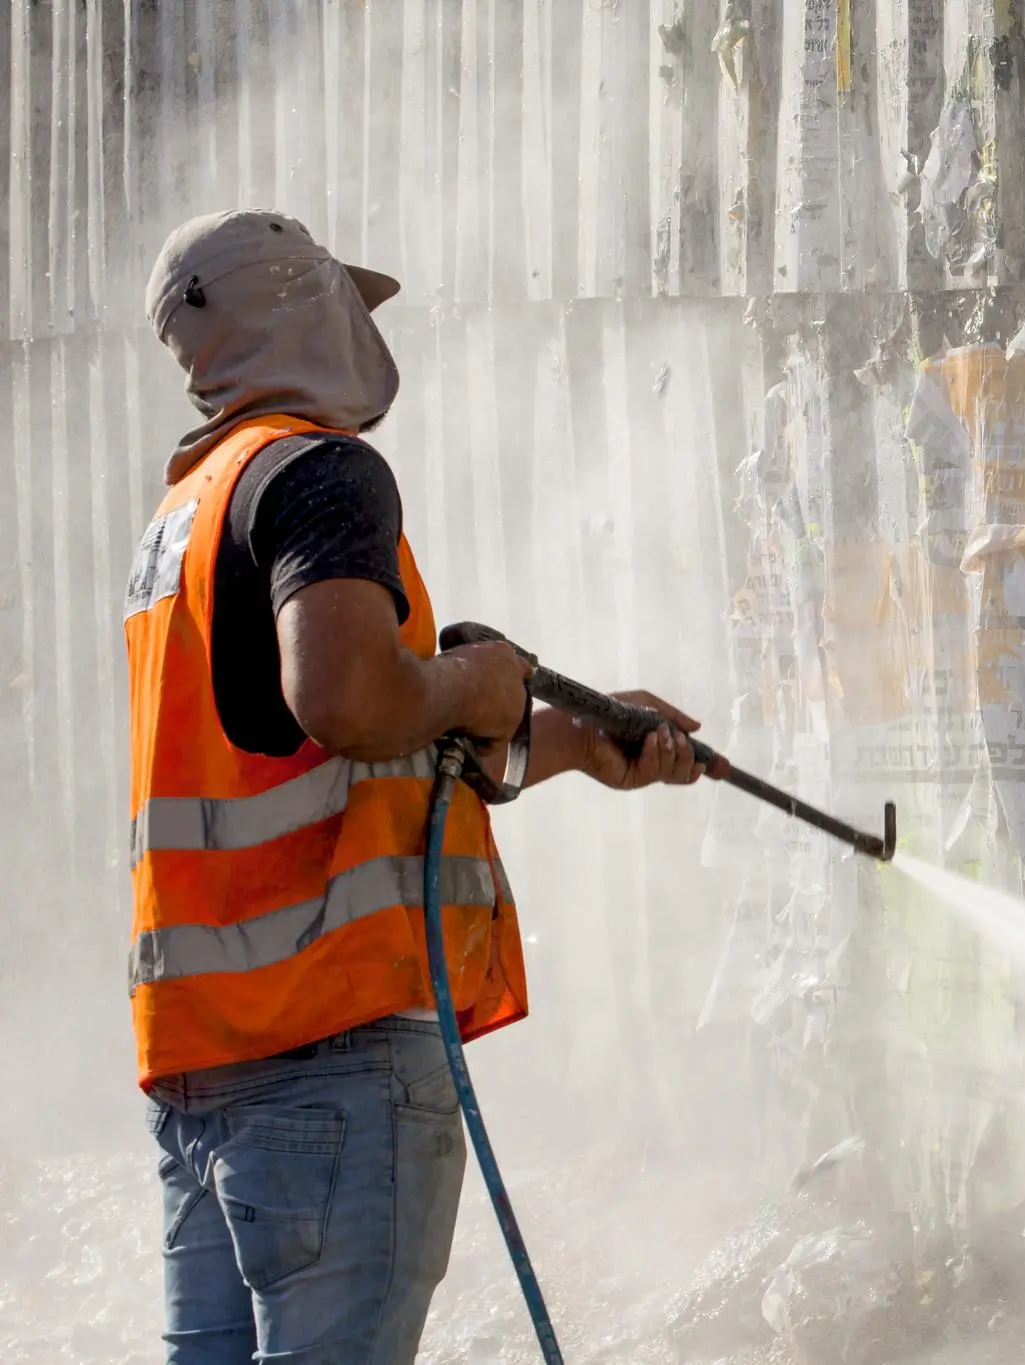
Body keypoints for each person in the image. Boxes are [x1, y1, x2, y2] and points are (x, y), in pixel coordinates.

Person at [124, 208, 705, 1363]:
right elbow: (347, 700)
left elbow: (323, 762)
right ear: (301, 308)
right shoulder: (320, 472)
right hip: (327, 1065)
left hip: (207, 1071)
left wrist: (576, 742)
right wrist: (474, 682)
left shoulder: (184, 518)